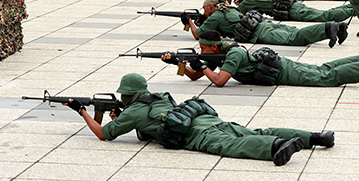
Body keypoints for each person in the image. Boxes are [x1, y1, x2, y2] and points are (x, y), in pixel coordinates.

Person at [63, 73, 334, 166]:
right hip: (207, 120)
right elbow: (151, 126)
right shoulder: (160, 97)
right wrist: (123, 117)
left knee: (233, 146)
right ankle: (314, 137)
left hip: (198, 135)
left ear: (128, 95)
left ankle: (275, 147)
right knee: (252, 130)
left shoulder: (133, 111)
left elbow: (103, 134)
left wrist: (81, 110)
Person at [167, 30, 359, 88]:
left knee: (325, 78)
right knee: (323, 68)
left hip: (282, 71)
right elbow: (196, 76)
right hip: (276, 66)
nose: (202, 52)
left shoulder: (231, 54)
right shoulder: (219, 50)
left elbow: (219, 81)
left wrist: (204, 65)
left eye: (203, 49)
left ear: (214, 47)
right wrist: (179, 64)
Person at [190, 0, 347, 48]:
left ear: (211, 6)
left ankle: (329, 29)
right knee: (293, 32)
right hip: (264, 24)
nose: (205, 12)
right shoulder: (229, 9)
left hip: (260, 33)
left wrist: (189, 21)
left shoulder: (216, 16)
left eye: (205, 9)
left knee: (295, 38)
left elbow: (198, 35)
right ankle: (338, 26)